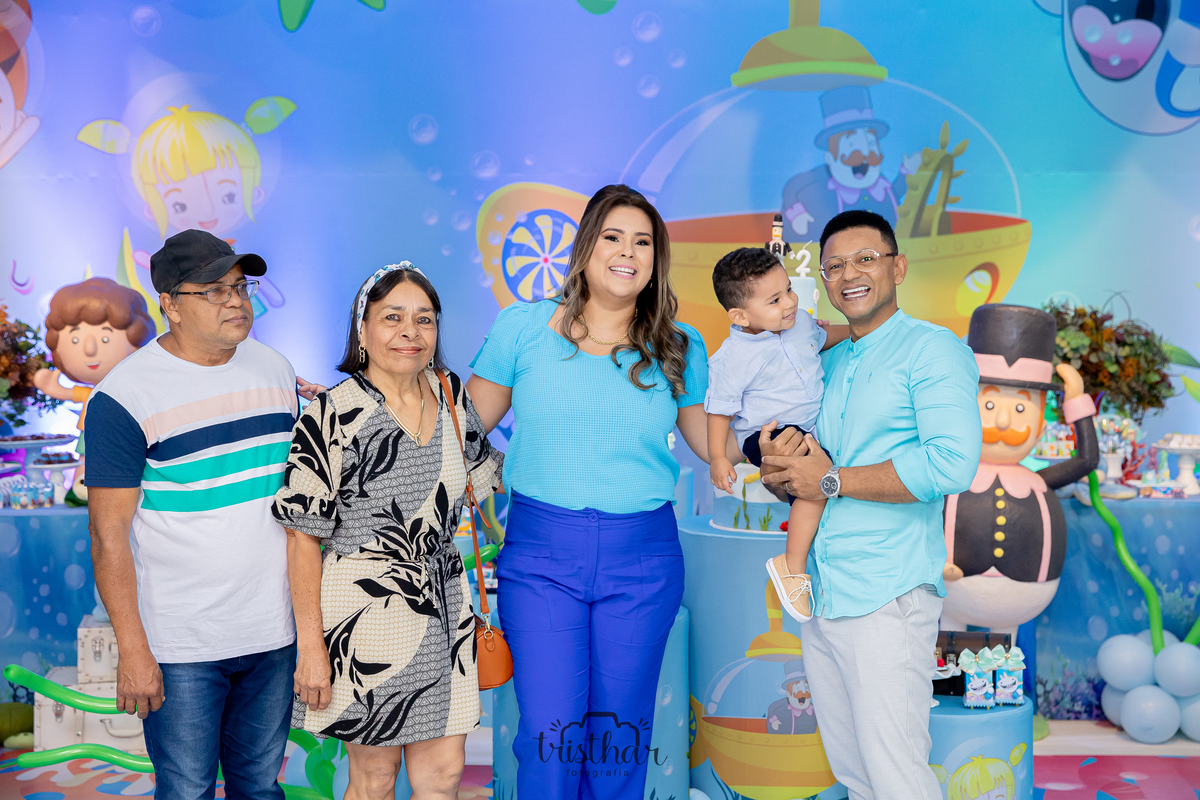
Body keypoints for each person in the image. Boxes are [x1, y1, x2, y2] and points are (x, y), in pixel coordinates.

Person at [466, 184, 727, 800]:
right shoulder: (523, 328)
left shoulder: (679, 344)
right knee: (549, 735)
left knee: (618, 741)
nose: (627, 252)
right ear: (585, 246)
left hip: (643, 561)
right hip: (541, 557)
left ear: (657, 259)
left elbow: (712, 444)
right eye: (613, 237)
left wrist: (782, 422)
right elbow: (459, 429)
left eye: (643, 242)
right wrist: (371, 403)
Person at [757, 209, 981, 799]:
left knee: (895, 773)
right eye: (834, 266)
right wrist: (781, 472)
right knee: (855, 773)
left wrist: (830, 481)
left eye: (865, 259)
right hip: (822, 593)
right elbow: (806, 475)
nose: (849, 274)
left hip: (888, 593)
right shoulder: (825, 363)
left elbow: (950, 464)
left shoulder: (933, 350)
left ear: (898, 268)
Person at [273, 264, 503, 800]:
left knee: (444, 776)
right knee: (374, 779)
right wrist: (311, 648)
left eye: (425, 319)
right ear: (363, 330)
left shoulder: (451, 394)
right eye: (392, 317)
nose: (410, 332)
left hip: (445, 609)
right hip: (365, 617)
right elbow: (303, 537)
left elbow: (484, 483)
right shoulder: (331, 413)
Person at [84, 229, 299, 798]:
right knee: (186, 791)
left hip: (273, 632)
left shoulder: (276, 370)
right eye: (214, 291)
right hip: (182, 644)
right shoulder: (124, 397)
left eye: (240, 287)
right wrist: (133, 648)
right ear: (171, 305)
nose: (235, 301)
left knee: (260, 788)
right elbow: (107, 536)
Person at [705, 247, 848, 622]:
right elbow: (719, 410)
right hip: (765, 432)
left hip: (806, 428)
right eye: (774, 300)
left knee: (820, 482)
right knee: (816, 482)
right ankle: (792, 565)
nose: (789, 302)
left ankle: (804, 559)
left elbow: (824, 337)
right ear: (740, 315)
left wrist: (861, 331)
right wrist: (718, 457)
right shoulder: (733, 358)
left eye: (788, 290)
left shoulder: (800, 323)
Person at [34, 278, 157, 499]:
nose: (90, 349)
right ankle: (82, 486)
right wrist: (48, 384)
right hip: (89, 434)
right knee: (85, 459)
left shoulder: (131, 390)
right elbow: (63, 391)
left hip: (125, 442)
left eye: (105, 338)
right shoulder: (89, 394)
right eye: (75, 340)